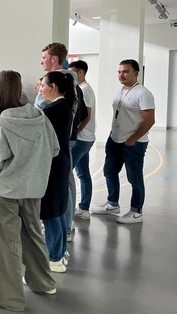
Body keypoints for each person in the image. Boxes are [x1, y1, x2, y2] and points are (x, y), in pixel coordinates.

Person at [0, 70, 58, 311]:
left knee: (8, 242)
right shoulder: (40, 116)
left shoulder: (2, 123)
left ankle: (10, 298)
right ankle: (43, 282)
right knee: (34, 234)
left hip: (6, 191)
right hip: (34, 188)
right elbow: (54, 149)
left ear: (1, 91)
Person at [91, 59, 155, 224]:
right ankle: (112, 204)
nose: (121, 75)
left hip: (134, 143)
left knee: (135, 178)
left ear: (136, 73)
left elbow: (149, 120)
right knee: (109, 172)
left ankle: (136, 211)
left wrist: (132, 139)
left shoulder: (143, 93)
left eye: (125, 71)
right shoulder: (120, 91)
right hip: (115, 140)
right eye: (119, 72)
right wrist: (113, 133)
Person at [37, 42, 87, 243]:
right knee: (64, 184)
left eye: (44, 58)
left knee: (60, 189)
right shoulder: (68, 95)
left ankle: (63, 232)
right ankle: (64, 228)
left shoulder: (58, 102)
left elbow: (40, 117)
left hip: (57, 145)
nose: (42, 62)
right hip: (63, 141)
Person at [39, 71, 76, 273]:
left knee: (51, 211)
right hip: (60, 163)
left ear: (53, 87)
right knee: (59, 209)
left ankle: (54, 256)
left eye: (43, 85)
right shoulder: (63, 106)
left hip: (53, 165)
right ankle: (60, 251)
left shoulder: (53, 109)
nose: (40, 89)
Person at [68, 61, 96, 220]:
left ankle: (73, 213)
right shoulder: (83, 88)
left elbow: (87, 115)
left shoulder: (84, 90)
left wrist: (75, 132)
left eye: (71, 73)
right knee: (83, 173)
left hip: (82, 138)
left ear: (80, 73)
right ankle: (84, 207)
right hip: (84, 138)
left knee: (68, 174)